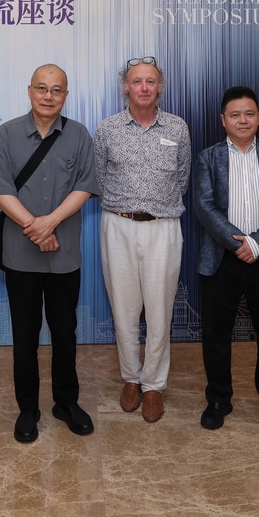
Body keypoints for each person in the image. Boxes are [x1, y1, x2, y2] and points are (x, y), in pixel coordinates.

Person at [0, 64, 98, 443]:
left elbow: (84, 186)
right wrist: (35, 228)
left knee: (66, 332)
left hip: (64, 254)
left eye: (56, 90)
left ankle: (66, 402)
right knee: (25, 335)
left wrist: (50, 223)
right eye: (42, 88)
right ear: (29, 90)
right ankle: (27, 408)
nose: (48, 96)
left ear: (66, 95)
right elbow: (1, 190)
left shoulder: (79, 135)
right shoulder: (6, 134)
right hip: (21, 254)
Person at [192, 86, 259, 437]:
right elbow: (204, 206)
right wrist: (238, 242)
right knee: (216, 335)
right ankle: (218, 399)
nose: (242, 120)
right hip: (222, 259)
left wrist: (257, 243)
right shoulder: (207, 158)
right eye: (235, 115)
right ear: (223, 120)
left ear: (258, 118)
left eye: (249, 114)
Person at [93, 56, 191, 423]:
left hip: (163, 227)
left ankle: (153, 385)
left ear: (160, 87)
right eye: (137, 81)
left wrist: (157, 204)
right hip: (118, 225)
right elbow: (98, 178)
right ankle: (131, 379)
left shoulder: (177, 127)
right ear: (126, 87)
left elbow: (182, 178)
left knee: (160, 310)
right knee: (124, 309)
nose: (144, 87)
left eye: (151, 81)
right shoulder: (107, 129)